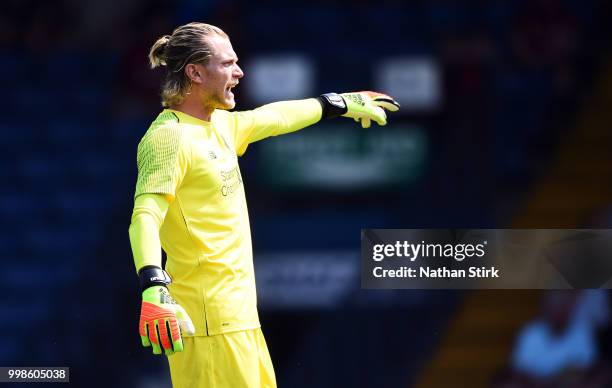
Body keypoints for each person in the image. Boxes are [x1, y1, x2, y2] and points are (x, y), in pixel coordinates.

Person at [128, 22, 399, 388]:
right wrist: (152, 284)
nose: (239, 72)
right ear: (194, 72)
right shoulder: (168, 138)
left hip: (240, 322)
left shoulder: (220, 125)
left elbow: (272, 118)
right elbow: (145, 216)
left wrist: (336, 103)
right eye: (227, 64)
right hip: (209, 327)